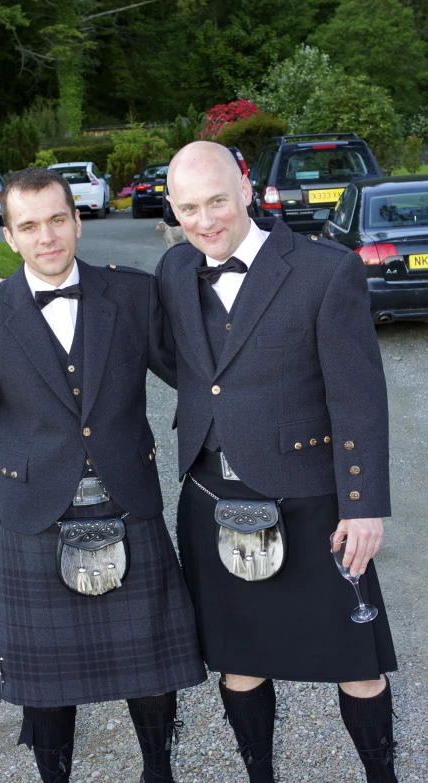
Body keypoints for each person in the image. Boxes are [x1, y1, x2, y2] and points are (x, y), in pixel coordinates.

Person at [0, 167, 206, 783]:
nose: (47, 237)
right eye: (29, 225)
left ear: (78, 220)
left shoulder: (135, 297)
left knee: (151, 665)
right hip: (37, 519)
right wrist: (24, 494)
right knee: (46, 680)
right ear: (8, 236)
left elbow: (197, 379)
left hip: (128, 504)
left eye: (57, 219)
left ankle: (158, 770)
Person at [154, 141, 398, 783]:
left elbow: (359, 397)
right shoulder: (175, 271)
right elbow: (163, 353)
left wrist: (365, 503)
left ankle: (383, 776)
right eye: (188, 209)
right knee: (241, 659)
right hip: (212, 498)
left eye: (216, 201)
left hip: (309, 498)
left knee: (357, 660)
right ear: (172, 210)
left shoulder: (324, 271)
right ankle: (259, 773)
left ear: (245, 188)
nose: (206, 221)